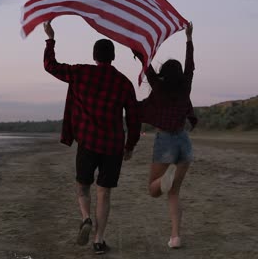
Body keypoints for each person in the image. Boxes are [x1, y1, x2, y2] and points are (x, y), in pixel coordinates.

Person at [42, 21, 141, 254]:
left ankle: (86, 217)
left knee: (83, 187)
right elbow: (134, 119)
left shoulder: (81, 72)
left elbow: (50, 65)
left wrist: (50, 38)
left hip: (87, 142)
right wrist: (130, 146)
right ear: (113, 57)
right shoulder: (124, 83)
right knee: (104, 192)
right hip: (113, 146)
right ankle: (98, 239)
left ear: (94, 56)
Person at [133, 22, 196, 249]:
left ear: (163, 75)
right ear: (179, 75)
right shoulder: (186, 85)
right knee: (174, 193)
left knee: (153, 189)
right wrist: (188, 39)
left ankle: (163, 179)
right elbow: (190, 66)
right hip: (184, 143)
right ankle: (176, 236)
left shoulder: (158, 88)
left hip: (166, 141)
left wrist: (137, 45)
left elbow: (146, 64)